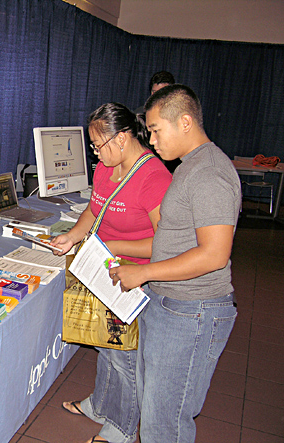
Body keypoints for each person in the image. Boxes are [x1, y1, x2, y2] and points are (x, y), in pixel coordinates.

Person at [111, 84, 241, 442]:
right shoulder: (189, 166)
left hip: (192, 311)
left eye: (155, 129)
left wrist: (145, 272)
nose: (151, 140)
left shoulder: (209, 173)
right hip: (171, 304)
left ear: (184, 122)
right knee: (153, 407)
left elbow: (214, 254)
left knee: (164, 421)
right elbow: (175, 239)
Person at [51, 103, 172, 443]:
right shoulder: (107, 167)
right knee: (105, 345)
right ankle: (101, 405)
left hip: (134, 277)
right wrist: (73, 236)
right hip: (106, 269)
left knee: (124, 356)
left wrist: (118, 247)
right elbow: (95, 209)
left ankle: (120, 428)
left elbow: (164, 243)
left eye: (98, 146)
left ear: (122, 138)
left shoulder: (154, 177)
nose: (95, 154)